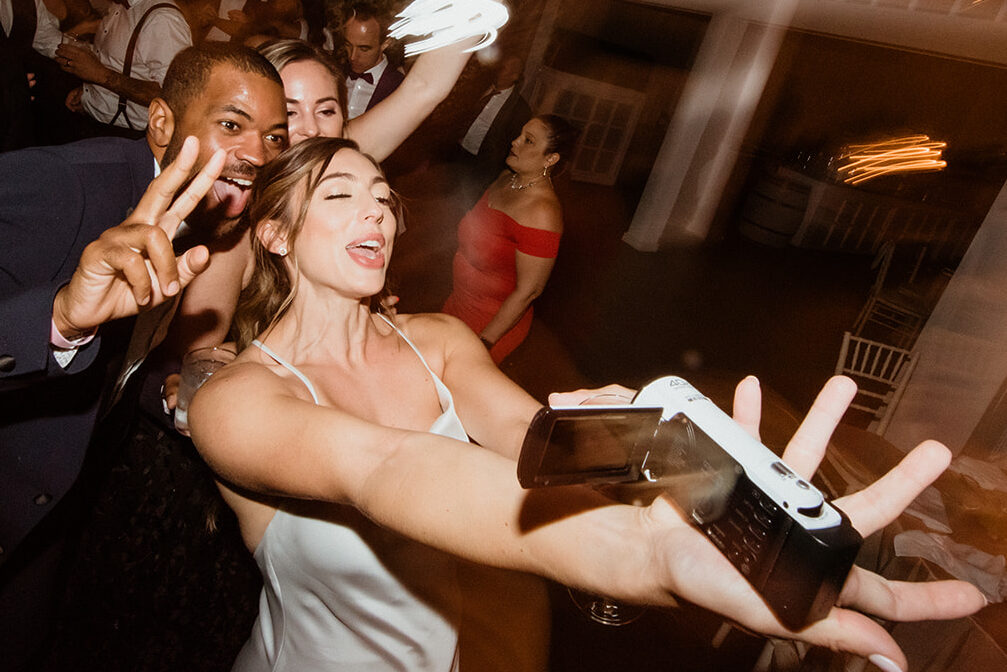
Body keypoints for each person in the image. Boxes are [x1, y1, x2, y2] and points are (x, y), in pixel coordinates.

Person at [189, 137, 986, 672]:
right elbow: (385, 465)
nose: (376, 212)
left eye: (382, 196)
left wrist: (673, 475)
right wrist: (637, 552)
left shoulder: (434, 339)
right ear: (276, 235)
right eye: (340, 196)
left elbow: (525, 439)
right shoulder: (237, 403)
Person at [0, 41, 288, 669]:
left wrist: (169, 388)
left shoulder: (204, 222)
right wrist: (55, 321)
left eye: (274, 138)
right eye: (232, 125)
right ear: (162, 123)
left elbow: (123, 355)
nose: (257, 155)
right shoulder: (63, 185)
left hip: (42, 523)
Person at [442, 115, 577, 363]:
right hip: (458, 303)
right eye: (520, 134)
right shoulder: (506, 178)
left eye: (528, 141)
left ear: (551, 158)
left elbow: (530, 290)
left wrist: (484, 342)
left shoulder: (542, 212)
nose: (515, 142)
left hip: (489, 323)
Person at [55, 0, 193, 137]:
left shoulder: (163, 19)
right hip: (95, 122)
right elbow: (117, 64)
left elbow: (175, 95)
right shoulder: (118, 7)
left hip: (128, 136)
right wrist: (91, 93)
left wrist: (101, 76)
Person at [457, 54, 532, 192]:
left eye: (502, 68)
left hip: (480, 165)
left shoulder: (520, 109)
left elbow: (508, 147)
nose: (497, 70)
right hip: (456, 152)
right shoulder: (477, 88)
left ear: (514, 76)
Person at [341, 0, 403, 120]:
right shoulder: (335, 74)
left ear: (385, 43)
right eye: (348, 45)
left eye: (363, 49)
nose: (352, 56)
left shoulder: (400, 88)